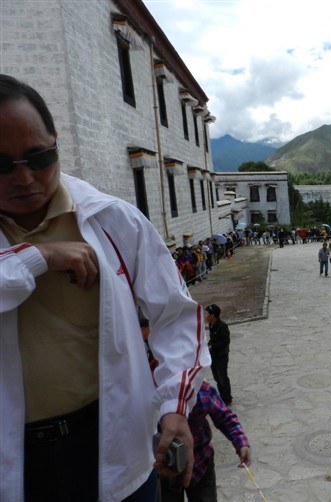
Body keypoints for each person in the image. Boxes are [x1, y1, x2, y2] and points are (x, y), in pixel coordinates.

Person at [0, 74, 209, 501]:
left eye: (38, 157)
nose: (23, 178)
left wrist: (174, 406)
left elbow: (175, 314)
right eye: (1, 165)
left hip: (114, 440)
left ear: (56, 143)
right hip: (14, 456)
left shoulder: (114, 220)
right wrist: (39, 257)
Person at [160, 381, 251, 502]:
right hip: (166, 472)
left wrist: (241, 442)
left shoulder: (203, 391)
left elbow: (225, 417)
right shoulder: (155, 397)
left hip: (201, 466)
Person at [205, 304, 233, 406]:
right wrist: (208, 344)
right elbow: (213, 339)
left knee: (222, 378)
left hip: (221, 356)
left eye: (208, 314)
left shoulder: (222, 326)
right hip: (214, 355)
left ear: (213, 315)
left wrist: (213, 346)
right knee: (217, 378)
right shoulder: (211, 324)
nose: (206, 316)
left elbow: (226, 341)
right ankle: (222, 396)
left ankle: (227, 398)